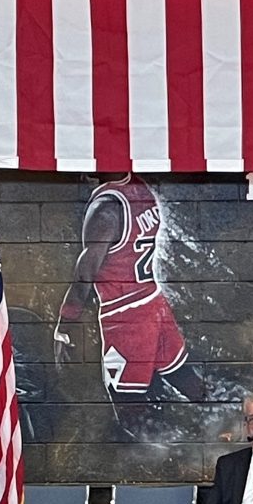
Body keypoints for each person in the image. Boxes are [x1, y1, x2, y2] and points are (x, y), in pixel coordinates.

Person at [52, 173, 207, 436]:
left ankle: (162, 457)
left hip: (125, 315)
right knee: (183, 376)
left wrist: (64, 327)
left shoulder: (106, 209)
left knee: (127, 406)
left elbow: (84, 277)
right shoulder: (141, 188)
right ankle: (217, 422)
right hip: (153, 301)